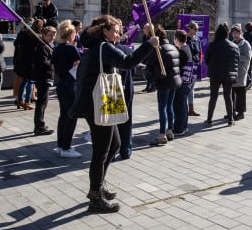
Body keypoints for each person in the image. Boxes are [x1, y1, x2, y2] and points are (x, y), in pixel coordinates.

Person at [69, 15, 156, 213]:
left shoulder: (96, 47)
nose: (118, 34)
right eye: (115, 30)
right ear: (104, 31)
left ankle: (98, 186)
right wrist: (149, 44)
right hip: (98, 104)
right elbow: (128, 62)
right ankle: (95, 197)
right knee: (101, 151)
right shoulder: (103, 47)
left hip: (96, 103)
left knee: (115, 143)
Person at [51, 22, 82, 156]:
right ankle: (66, 147)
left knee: (63, 115)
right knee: (71, 116)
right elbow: (77, 66)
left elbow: (53, 66)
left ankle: (60, 145)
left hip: (61, 84)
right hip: (70, 85)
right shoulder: (71, 48)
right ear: (70, 34)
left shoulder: (57, 48)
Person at [148, 25, 182, 146]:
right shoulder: (173, 47)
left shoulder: (158, 49)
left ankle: (162, 134)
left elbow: (150, 65)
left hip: (164, 82)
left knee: (162, 108)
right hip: (173, 81)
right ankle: (169, 131)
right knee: (169, 106)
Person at [204, 23, 239, 126]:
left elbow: (206, 59)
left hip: (215, 74)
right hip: (228, 74)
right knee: (228, 96)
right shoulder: (234, 46)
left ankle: (209, 119)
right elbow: (237, 60)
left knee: (213, 97)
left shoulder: (212, 45)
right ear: (228, 33)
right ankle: (230, 119)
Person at [31, 25, 58, 137]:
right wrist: (54, 63)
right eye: (50, 35)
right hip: (42, 77)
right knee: (42, 103)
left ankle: (40, 124)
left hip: (46, 77)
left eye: (54, 35)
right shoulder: (42, 47)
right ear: (44, 35)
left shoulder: (48, 45)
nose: (52, 37)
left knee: (43, 102)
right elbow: (43, 63)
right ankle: (39, 126)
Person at [12, 20, 42, 110]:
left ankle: (20, 100)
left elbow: (16, 43)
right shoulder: (38, 36)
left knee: (24, 81)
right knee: (30, 82)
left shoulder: (23, 33)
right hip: (32, 62)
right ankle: (27, 101)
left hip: (22, 60)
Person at [172, 30, 194, 137]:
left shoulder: (181, 52)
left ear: (176, 39)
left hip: (182, 82)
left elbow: (177, 67)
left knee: (179, 105)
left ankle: (179, 128)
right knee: (183, 104)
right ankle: (183, 126)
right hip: (187, 81)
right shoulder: (186, 47)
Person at [230, 25, 252, 120]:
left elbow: (247, 58)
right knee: (231, 93)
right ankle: (231, 111)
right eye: (233, 33)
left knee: (240, 94)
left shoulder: (245, 44)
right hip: (232, 71)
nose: (234, 35)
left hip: (241, 72)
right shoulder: (232, 43)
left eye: (236, 33)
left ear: (240, 33)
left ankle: (241, 112)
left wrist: (236, 57)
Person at [185, 21, 202, 116]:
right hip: (187, 66)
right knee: (187, 88)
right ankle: (184, 108)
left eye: (197, 29)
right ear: (190, 29)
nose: (196, 31)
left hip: (195, 66)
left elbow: (199, 52)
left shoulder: (197, 39)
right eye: (195, 29)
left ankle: (191, 109)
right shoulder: (185, 39)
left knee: (192, 88)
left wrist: (199, 61)